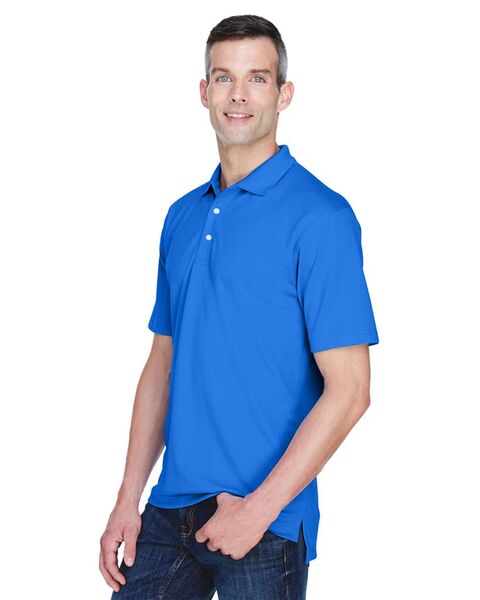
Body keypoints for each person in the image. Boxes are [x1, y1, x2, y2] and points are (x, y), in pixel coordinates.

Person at [99, 14, 379, 600]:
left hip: (266, 521)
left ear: (284, 93)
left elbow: (351, 390)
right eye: (224, 78)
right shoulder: (182, 215)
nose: (238, 95)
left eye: (257, 78)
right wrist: (128, 498)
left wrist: (259, 509)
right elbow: (162, 364)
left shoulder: (322, 217)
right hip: (169, 510)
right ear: (204, 92)